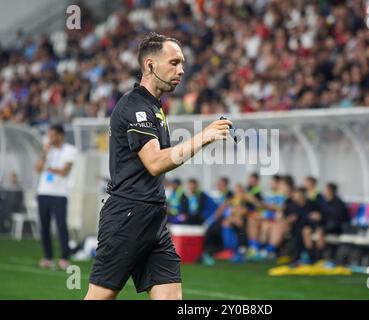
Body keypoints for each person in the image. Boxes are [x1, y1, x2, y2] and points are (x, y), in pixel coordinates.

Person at [85, 32, 232, 300]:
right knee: (99, 297)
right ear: (151, 65)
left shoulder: (154, 107)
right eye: (174, 63)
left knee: (171, 297)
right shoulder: (135, 107)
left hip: (153, 218)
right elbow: (154, 163)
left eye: (182, 63)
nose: (182, 70)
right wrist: (203, 136)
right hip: (127, 217)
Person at [35, 124, 77, 270]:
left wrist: (47, 168)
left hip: (59, 194)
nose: (50, 138)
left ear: (60, 135)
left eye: (52, 135)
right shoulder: (47, 150)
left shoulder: (70, 150)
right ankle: (48, 257)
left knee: (61, 226)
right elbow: (37, 168)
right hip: (43, 192)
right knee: (44, 227)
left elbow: (64, 171)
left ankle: (64, 258)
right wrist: (44, 152)